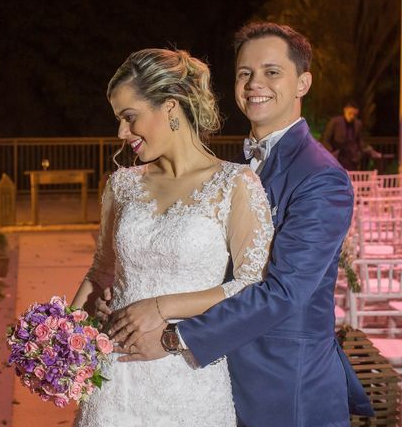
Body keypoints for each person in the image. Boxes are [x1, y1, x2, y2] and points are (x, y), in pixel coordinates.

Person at [104, 23, 374, 426]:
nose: (254, 84)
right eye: (245, 73)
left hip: (285, 387)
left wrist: (172, 336)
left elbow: (283, 293)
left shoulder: (320, 177)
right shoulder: (229, 169)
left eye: (271, 72)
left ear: (303, 82)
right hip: (215, 381)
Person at [70, 48, 274, 426]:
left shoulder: (234, 184)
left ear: (170, 106)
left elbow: (251, 286)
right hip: (115, 382)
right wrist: (62, 332)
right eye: (118, 120)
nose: (121, 133)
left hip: (187, 377)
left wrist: (162, 306)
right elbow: (101, 271)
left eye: (130, 118)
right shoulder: (122, 185)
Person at [322, 100, 382, 170]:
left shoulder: (358, 124)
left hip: (352, 158)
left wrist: (371, 151)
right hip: (337, 157)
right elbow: (326, 139)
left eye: (354, 114)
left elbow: (360, 141)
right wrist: (331, 154)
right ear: (345, 110)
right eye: (350, 113)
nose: (352, 116)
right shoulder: (335, 122)